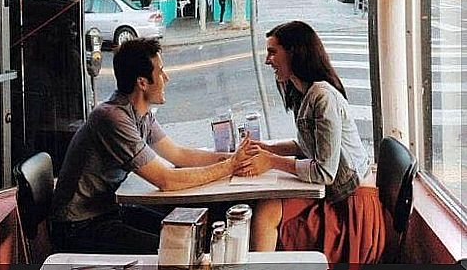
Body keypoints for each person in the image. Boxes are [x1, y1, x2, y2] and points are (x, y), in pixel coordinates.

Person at [50, 38, 252, 254]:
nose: (167, 77)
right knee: (177, 249)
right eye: (161, 72)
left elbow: (179, 155)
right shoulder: (112, 118)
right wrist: (230, 166)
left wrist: (235, 157)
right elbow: (166, 180)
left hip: (109, 212)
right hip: (78, 226)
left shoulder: (140, 115)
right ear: (142, 82)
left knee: (188, 235)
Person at [239, 21, 385, 264]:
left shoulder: (323, 96)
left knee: (266, 212)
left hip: (351, 208)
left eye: (273, 52)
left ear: (295, 52)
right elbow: (305, 146)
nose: (267, 60)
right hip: (337, 195)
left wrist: (272, 162)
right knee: (266, 206)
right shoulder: (303, 92)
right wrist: (265, 148)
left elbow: (324, 172)